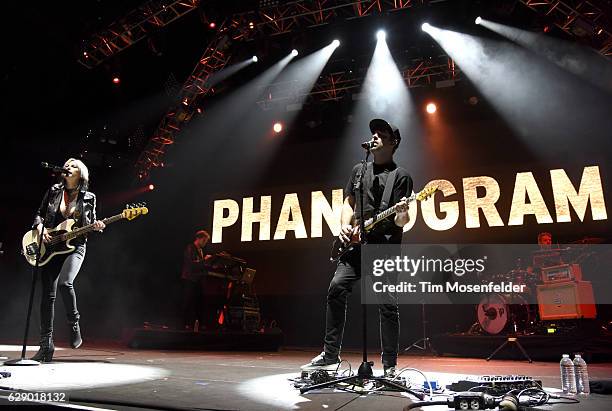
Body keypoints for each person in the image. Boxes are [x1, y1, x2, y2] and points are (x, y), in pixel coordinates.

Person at [302, 118, 412, 377]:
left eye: (381, 134)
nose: (374, 136)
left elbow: (401, 221)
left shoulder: (401, 176)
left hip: (384, 247)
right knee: (336, 288)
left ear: (393, 142)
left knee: (387, 304)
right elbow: (348, 203)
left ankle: (390, 365)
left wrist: (403, 213)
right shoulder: (359, 170)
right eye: (373, 132)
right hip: (355, 245)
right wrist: (343, 226)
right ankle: (330, 356)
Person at [32, 158, 105, 362]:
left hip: (75, 246)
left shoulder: (89, 197)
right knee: (47, 295)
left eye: (73, 166)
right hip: (53, 246)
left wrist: (96, 225)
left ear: (81, 173)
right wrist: (40, 228)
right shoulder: (54, 190)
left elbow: (88, 224)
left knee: (66, 283)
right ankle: (46, 346)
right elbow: (39, 214)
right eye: (67, 165)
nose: (68, 168)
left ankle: (74, 322)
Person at [181, 230, 214, 331]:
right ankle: (184, 324)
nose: (205, 243)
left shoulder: (200, 250)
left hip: (197, 280)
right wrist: (205, 260)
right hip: (190, 279)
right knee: (188, 302)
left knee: (197, 302)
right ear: (198, 238)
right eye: (204, 240)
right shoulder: (190, 248)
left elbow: (199, 265)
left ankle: (195, 324)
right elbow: (192, 264)